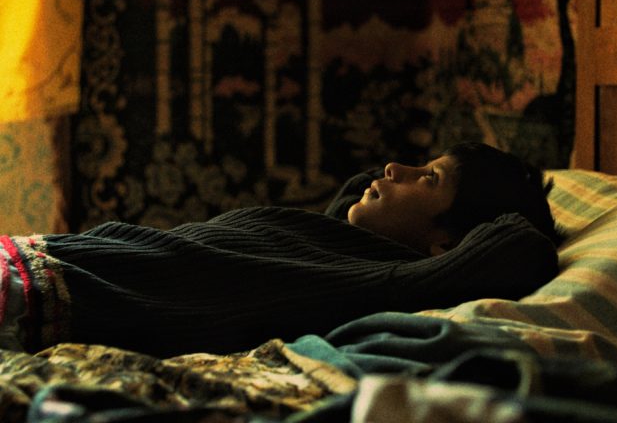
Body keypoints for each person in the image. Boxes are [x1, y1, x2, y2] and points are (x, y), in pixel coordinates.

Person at [0, 142, 560, 357]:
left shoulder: (387, 282)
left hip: (51, 294)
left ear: (449, 245)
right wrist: (408, 194)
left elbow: (522, 245)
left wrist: (464, 239)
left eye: (429, 179)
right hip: (48, 260)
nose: (395, 168)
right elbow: (357, 193)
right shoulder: (336, 241)